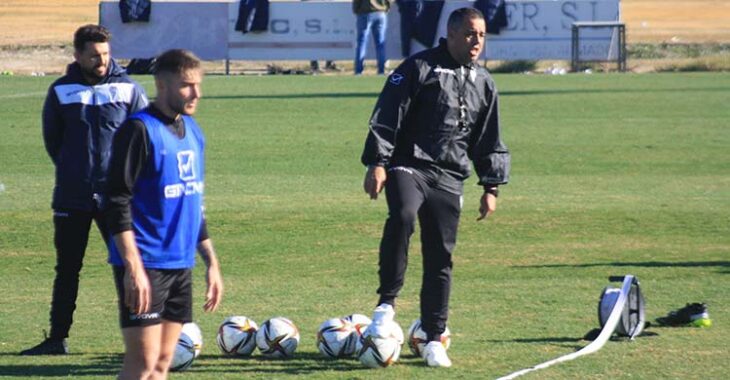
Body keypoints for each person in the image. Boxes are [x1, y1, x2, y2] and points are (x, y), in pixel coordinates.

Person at [360, 7, 510, 367]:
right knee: (403, 215)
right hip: (407, 165)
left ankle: (433, 337)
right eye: (471, 34)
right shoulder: (419, 67)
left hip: (449, 176)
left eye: (483, 35)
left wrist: (491, 185)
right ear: (452, 32)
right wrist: (377, 163)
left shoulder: (484, 83)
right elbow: (387, 114)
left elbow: (489, 138)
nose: (477, 42)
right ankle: (386, 305)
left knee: (440, 257)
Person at [22, 24, 148, 356]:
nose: (102, 61)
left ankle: (137, 342)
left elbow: (145, 139)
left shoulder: (129, 89)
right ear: (77, 55)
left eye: (106, 54)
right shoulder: (61, 90)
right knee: (67, 269)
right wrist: (74, 171)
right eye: (94, 56)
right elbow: (54, 142)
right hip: (72, 197)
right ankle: (56, 338)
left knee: (128, 268)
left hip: (118, 200)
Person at [104, 49, 223, 379]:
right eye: (186, 85)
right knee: (141, 364)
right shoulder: (138, 131)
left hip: (180, 265)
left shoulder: (194, 132)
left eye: (198, 85)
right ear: (162, 83)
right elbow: (116, 200)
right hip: (147, 264)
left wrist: (211, 262)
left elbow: (193, 201)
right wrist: (133, 268)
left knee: (161, 363)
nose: (195, 93)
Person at [353, 0, 392, 75]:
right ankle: (381, 70)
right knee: (380, 43)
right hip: (381, 12)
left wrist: (356, 9)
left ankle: (358, 71)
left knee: (362, 42)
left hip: (365, 12)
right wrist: (386, 7)